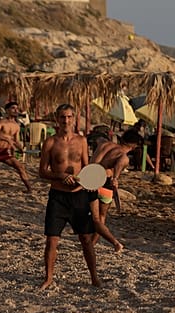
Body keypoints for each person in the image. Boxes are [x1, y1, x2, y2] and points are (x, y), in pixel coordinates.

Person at [38, 103, 106, 290]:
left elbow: (87, 168)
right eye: (62, 117)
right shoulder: (50, 142)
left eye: (69, 117)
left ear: (74, 118)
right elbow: (42, 171)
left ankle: (94, 277)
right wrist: (59, 176)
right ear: (56, 119)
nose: (66, 121)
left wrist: (89, 182)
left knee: (86, 239)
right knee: (52, 239)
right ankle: (49, 277)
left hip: (78, 195)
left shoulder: (82, 141)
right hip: (58, 197)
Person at [90, 129, 143, 246]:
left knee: (91, 215)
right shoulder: (124, 157)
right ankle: (93, 243)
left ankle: (89, 241)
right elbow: (120, 164)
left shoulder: (104, 144)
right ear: (134, 146)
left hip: (89, 181)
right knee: (101, 217)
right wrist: (115, 178)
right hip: (104, 184)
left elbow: (98, 142)